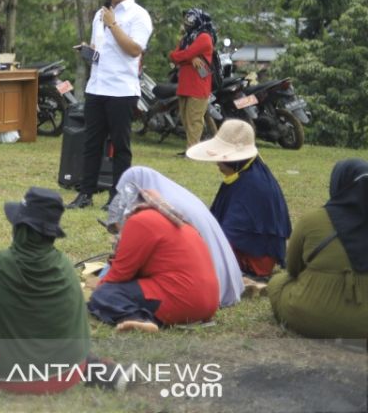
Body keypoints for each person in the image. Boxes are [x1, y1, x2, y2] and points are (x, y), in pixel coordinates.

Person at [0, 188, 120, 395]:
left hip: (2, 378)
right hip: (65, 375)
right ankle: (101, 369)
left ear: (20, 227)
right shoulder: (65, 267)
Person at [67, 0, 153, 210]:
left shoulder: (139, 16)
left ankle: (118, 197)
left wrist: (113, 25)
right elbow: (100, 51)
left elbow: (134, 50)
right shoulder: (99, 14)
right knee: (91, 143)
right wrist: (87, 51)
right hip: (97, 87)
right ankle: (85, 194)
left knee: (120, 146)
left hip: (121, 90)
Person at [105, 166, 243, 309]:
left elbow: (126, 268)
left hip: (192, 286)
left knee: (110, 293)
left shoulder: (160, 211)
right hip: (210, 281)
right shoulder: (177, 197)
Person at [89, 186, 220, 331]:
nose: (119, 233)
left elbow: (121, 273)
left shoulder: (139, 221)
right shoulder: (175, 219)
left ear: (124, 214)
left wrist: (98, 288)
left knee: (105, 294)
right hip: (208, 305)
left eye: (117, 228)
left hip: (183, 301)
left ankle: (138, 319)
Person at [267, 159, 368, 338]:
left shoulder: (312, 220)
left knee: (277, 282)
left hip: (310, 316)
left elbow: (292, 268)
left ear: (338, 183)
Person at [186, 119, 292, 279]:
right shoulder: (246, 174)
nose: (217, 163)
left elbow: (230, 235)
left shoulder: (251, 184)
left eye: (221, 158)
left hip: (253, 259)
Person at [169, 8, 216, 147]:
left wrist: (187, 57)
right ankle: (194, 149)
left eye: (190, 19)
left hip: (198, 85)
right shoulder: (187, 38)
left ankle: (192, 151)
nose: (187, 22)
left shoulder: (205, 37)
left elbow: (184, 54)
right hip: (185, 84)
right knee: (185, 119)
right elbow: (173, 56)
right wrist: (190, 58)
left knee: (194, 120)